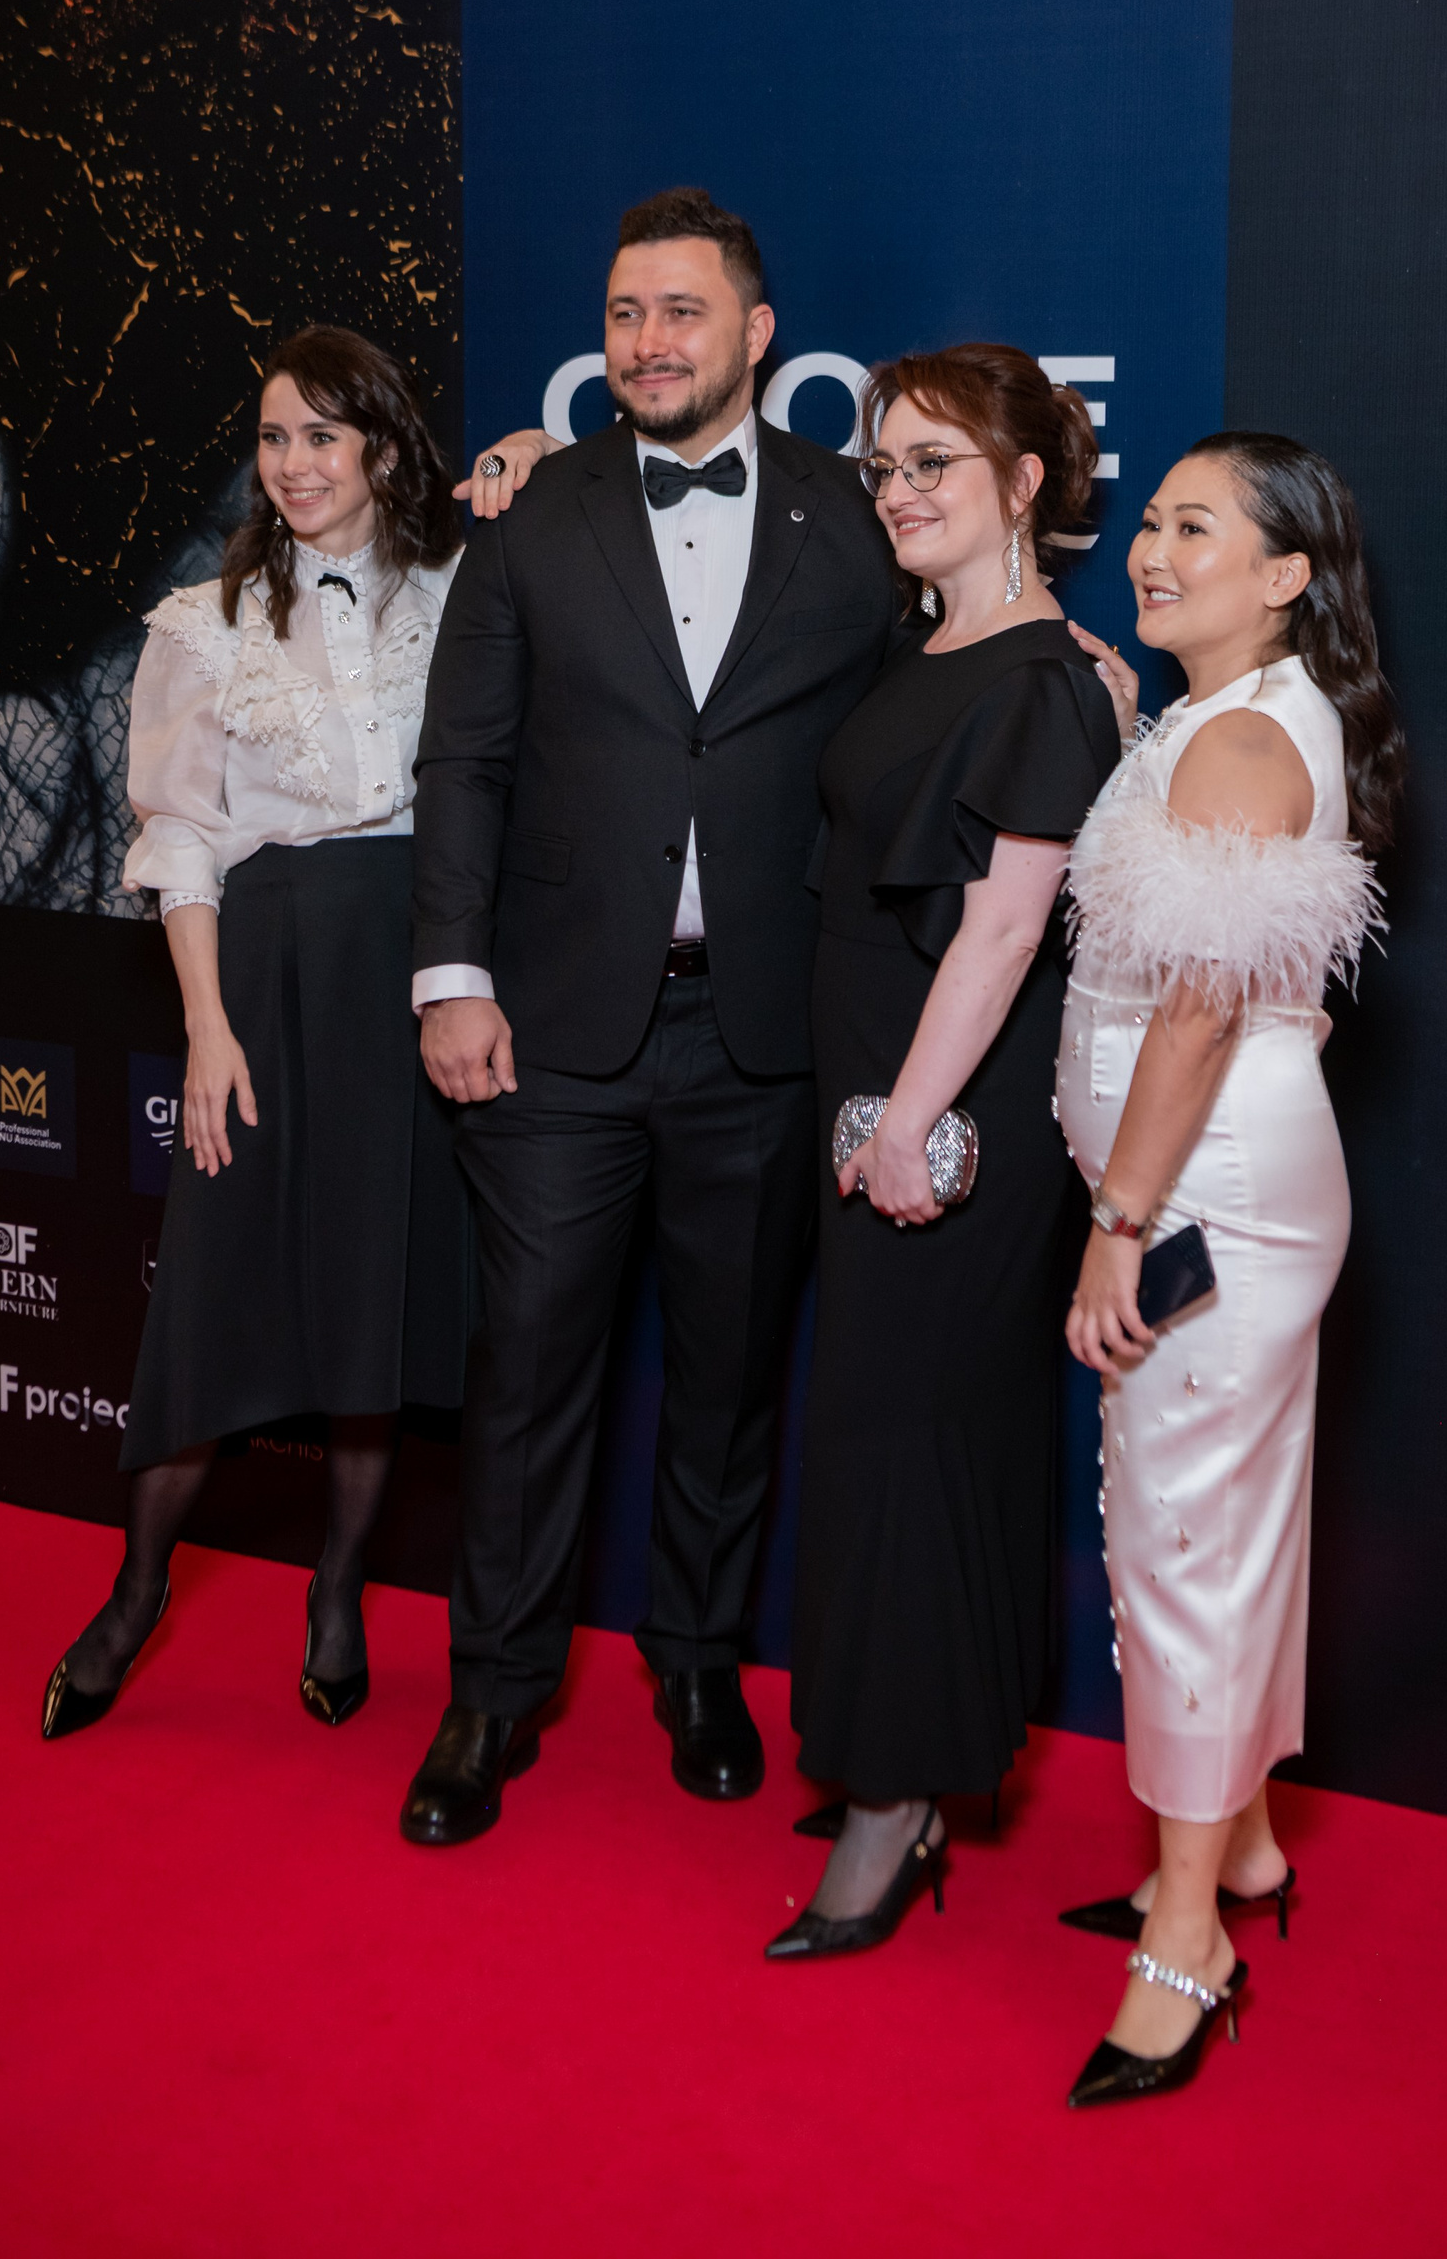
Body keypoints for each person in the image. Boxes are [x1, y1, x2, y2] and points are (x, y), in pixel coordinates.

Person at [399, 187, 905, 1845]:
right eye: (624, 313)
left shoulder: (855, 517)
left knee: (732, 1378)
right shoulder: (532, 511)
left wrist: (1087, 672)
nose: (647, 342)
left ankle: (697, 1663)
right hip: (549, 1031)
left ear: (757, 333)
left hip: (766, 1034)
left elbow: (941, 700)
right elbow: (464, 756)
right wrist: (453, 976)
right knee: (526, 1375)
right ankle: (493, 1692)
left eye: (681, 312)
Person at [40, 326, 471, 1739]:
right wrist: (208, 1031)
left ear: (383, 452)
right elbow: (181, 839)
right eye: (275, 437)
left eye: (321, 436)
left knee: (371, 1297)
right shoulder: (201, 623)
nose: (292, 463)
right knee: (213, 1306)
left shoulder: (458, 592)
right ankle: (135, 1594)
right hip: (269, 982)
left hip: (414, 971)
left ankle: (338, 1593)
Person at [1054, 430, 1399, 2106]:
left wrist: (1118, 1222)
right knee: (1217, 1519)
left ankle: (1186, 1935)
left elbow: (1196, 1012)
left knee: (1186, 1537)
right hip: (1210, 1183)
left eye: (1198, 526)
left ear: (1285, 575)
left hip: (1207, 1198)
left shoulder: (1250, 737)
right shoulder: (1222, 717)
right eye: (1151, 519)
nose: (1152, 545)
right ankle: (1244, 1844)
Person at [764, 346, 1120, 1959]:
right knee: (876, 1425)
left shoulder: (1042, 680)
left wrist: (909, 1119)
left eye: (935, 465)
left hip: (948, 1110)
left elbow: (1005, 929)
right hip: (876, 1088)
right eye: (886, 467)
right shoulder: (934, 645)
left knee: (916, 1431)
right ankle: (892, 1750)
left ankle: (902, 1801)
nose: (898, 492)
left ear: (1023, 484)